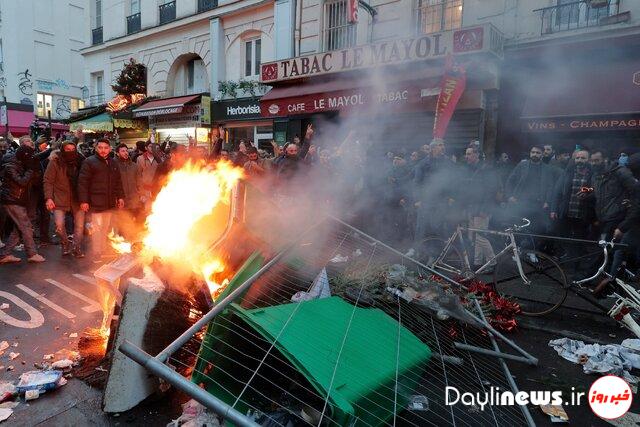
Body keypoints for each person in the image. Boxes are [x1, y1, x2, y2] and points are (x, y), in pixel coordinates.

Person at [593, 153, 640, 296]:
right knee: (621, 251)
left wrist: (622, 227)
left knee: (621, 251)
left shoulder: (633, 180)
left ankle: (612, 282)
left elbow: (638, 205)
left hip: (635, 224)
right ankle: (613, 281)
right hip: (635, 224)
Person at [0, 136, 45, 263]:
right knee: (25, 226)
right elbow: (22, 182)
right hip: (12, 200)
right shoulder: (11, 166)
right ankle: (32, 253)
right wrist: (31, 169)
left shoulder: (20, 162)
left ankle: (5, 254)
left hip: (17, 199)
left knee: (18, 228)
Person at [77, 139, 125, 258]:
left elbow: (118, 182)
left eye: (105, 148)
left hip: (109, 203)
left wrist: (120, 197)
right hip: (95, 203)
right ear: (96, 148)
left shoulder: (113, 163)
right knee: (96, 230)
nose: (103, 150)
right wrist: (84, 201)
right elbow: (83, 183)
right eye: (100, 148)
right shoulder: (89, 162)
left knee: (105, 228)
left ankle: (102, 250)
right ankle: (96, 252)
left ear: (109, 149)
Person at [43, 140, 85, 257]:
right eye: (68, 150)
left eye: (73, 149)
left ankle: (77, 247)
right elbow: (48, 180)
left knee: (80, 225)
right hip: (60, 197)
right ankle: (65, 243)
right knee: (59, 225)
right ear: (62, 150)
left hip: (78, 198)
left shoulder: (81, 161)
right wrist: (49, 198)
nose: (71, 152)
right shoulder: (55, 162)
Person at [459, 146, 498, 270]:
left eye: (469, 154)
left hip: (482, 209)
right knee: (473, 237)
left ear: (476, 155)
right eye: (466, 153)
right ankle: (478, 263)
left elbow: (491, 192)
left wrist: (485, 210)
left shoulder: (486, 169)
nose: (467, 156)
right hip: (472, 208)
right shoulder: (469, 168)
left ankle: (492, 262)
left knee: (480, 237)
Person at [505, 146, 554, 234]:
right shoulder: (522, 165)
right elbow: (510, 180)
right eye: (533, 152)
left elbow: (550, 186)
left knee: (536, 228)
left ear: (542, 154)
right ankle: (517, 247)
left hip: (538, 203)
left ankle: (530, 246)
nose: (535, 154)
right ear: (530, 153)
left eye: (538, 153)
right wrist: (509, 196)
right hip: (520, 202)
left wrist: (547, 201)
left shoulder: (547, 168)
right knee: (518, 227)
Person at [114, 143, 142, 240]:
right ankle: (122, 241)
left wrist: (140, 194)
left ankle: (133, 240)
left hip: (134, 199)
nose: (126, 153)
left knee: (133, 220)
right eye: (123, 151)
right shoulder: (114, 165)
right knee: (121, 221)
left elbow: (139, 181)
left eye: (126, 150)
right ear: (117, 153)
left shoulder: (134, 166)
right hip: (121, 199)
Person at [136, 140, 159, 215]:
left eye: (154, 147)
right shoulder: (140, 159)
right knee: (147, 211)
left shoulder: (159, 159)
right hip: (146, 190)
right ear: (146, 147)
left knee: (158, 210)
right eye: (150, 146)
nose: (153, 148)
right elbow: (138, 176)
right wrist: (141, 193)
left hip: (157, 189)